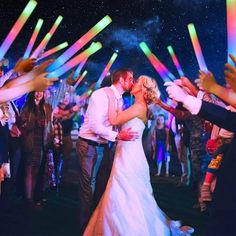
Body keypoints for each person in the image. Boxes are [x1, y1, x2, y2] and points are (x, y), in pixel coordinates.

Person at [84, 75, 194, 236]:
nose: (133, 83)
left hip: (129, 156)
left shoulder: (138, 107)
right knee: (127, 191)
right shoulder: (137, 106)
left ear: (142, 89)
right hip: (127, 153)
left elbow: (114, 119)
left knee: (124, 191)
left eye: (137, 82)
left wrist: (109, 96)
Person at [76, 69, 138, 232]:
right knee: (88, 188)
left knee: (101, 187)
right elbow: (96, 126)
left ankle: (96, 225)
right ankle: (85, 228)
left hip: (104, 147)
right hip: (89, 145)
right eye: (130, 78)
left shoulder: (119, 99)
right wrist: (118, 136)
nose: (133, 82)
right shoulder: (100, 95)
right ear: (121, 80)